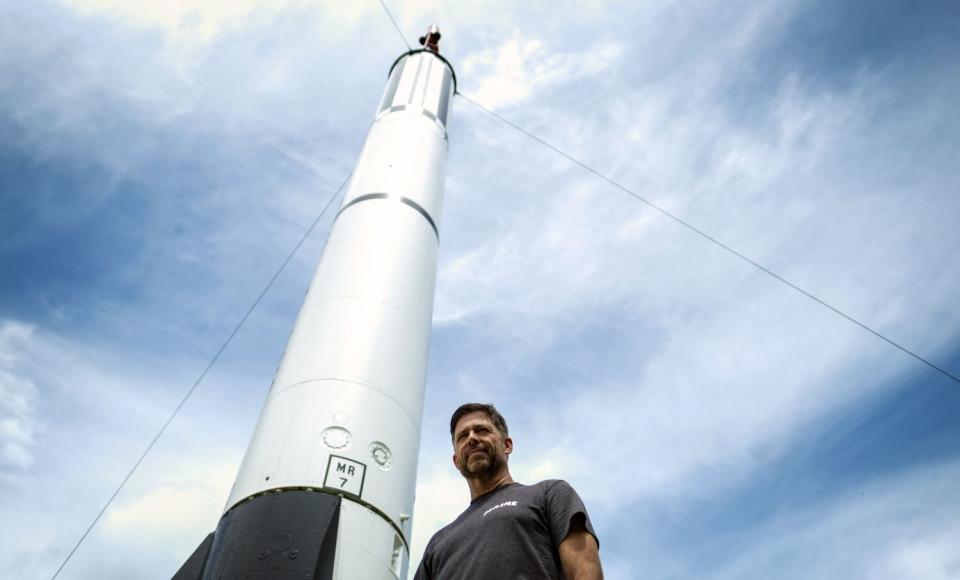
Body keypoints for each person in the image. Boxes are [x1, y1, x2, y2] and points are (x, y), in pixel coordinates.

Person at [413, 403, 603, 579]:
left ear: (507, 445)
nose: (471, 438)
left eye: (481, 430)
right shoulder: (438, 544)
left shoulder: (549, 494)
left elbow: (585, 572)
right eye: (462, 436)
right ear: (456, 461)